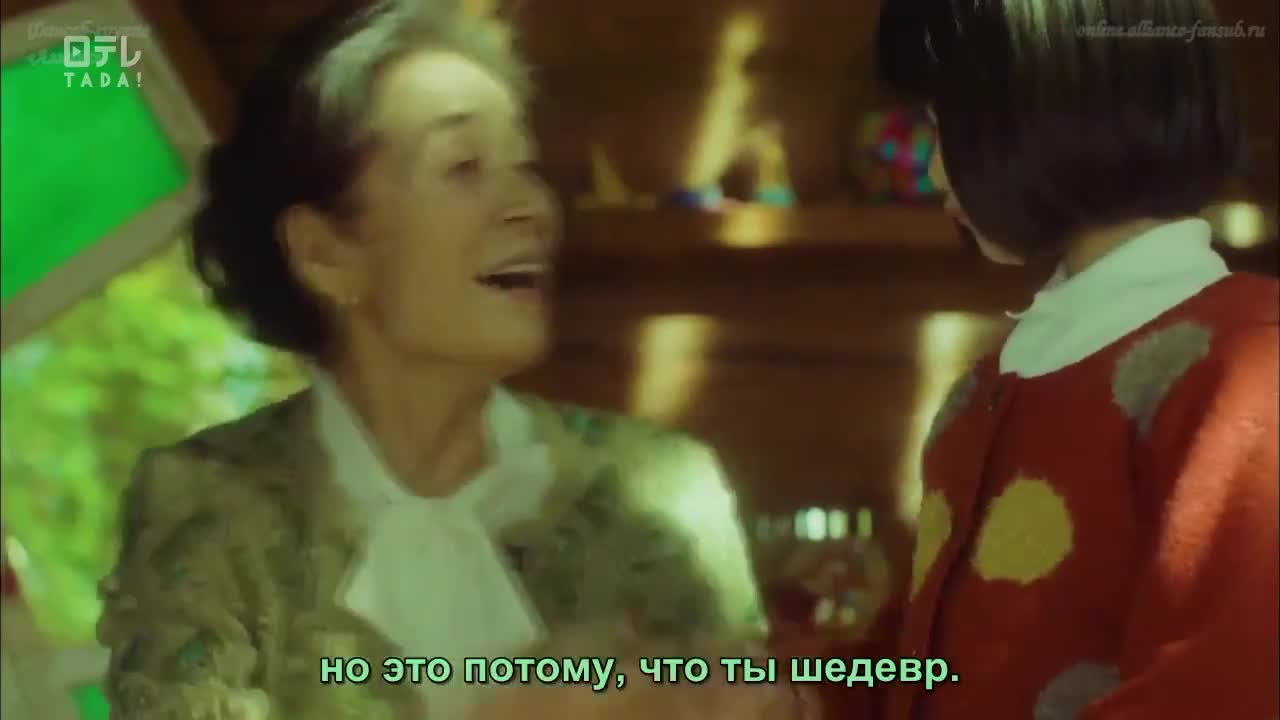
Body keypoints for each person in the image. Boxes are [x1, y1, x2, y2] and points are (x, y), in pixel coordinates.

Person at [94, 2, 776, 718]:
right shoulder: (203, 508)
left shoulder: (664, 488)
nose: (532, 206)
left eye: (525, 166)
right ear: (325, 253)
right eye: (463, 167)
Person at [863, 0, 1279, 718]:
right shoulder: (986, 387)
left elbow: (1219, 687)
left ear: (1046, 107)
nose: (933, 170)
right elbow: (913, 666)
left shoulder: (1246, 366)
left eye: (943, 126)